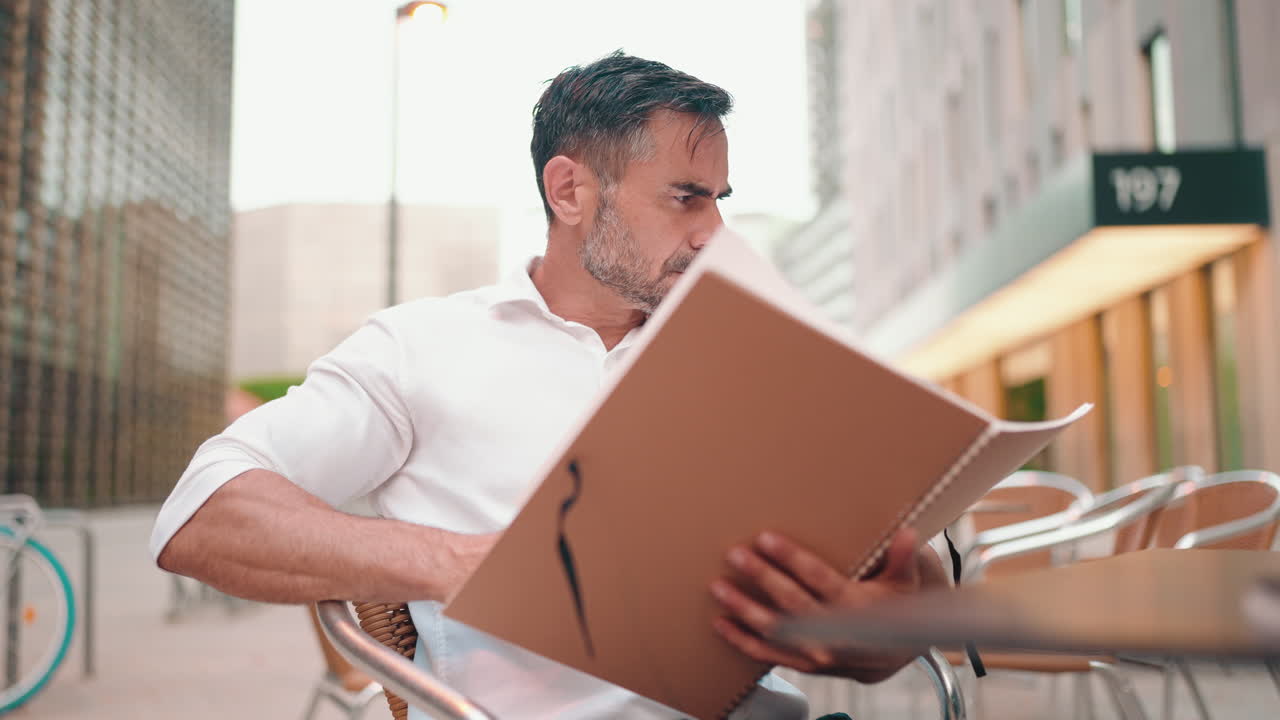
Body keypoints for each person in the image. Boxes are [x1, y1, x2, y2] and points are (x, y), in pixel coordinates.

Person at [152, 52, 948, 719]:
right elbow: (203, 516)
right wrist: (464, 564)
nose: (714, 231)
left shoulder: (756, 362)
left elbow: (911, 590)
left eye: (719, 200)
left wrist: (879, 631)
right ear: (569, 191)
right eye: (685, 197)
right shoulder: (424, 347)